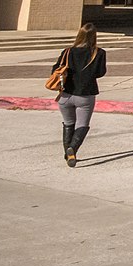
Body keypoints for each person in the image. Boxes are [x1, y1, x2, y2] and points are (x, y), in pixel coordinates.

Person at [51, 22, 107, 168]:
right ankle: (72, 149)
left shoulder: (67, 52)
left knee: (68, 123)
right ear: (94, 36)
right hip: (85, 95)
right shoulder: (99, 53)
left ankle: (68, 153)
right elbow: (100, 73)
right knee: (82, 125)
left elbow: (55, 69)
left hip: (65, 94)